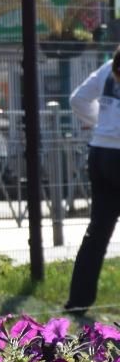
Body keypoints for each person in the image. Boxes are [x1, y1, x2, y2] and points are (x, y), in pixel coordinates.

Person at [64, 45, 120, 315]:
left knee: (97, 230)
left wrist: (102, 124)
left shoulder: (109, 67)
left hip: (99, 152)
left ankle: (78, 300)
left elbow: (77, 99)